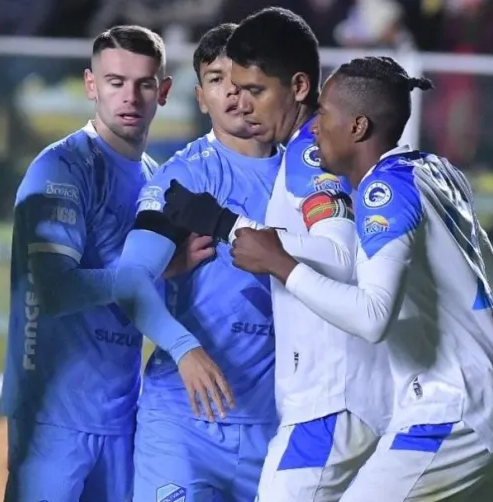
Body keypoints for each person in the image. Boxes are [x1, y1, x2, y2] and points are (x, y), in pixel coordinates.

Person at [228, 56, 493, 501]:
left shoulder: (383, 192)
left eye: (325, 115)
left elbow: (373, 319)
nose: (314, 127)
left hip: (450, 413)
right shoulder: (438, 171)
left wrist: (282, 263)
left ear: (357, 126)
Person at [161, 7, 393, 501]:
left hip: (332, 399)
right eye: (235, 90)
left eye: (256, 91)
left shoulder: (311, 156)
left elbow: (343, 257)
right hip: (332, 399)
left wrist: (227, 225)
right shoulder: (302, 153)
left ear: (301, 87)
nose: (241, 105)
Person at [0, 25, 232, 502]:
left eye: (144, 84)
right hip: (53, 416)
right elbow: (55, 290)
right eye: (115, 82)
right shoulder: (60, 167)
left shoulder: (156, 179)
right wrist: (147, 274)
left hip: (123, 415)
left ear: (163, 92)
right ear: (91, 86)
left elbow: (140, 294)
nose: (130, 96)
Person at [123, 23, 281, 502]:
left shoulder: (307, 177)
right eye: (216, 79)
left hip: (278, 427)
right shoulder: (183, 179)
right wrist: (185, 348)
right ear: (199, 97)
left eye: (242, 79)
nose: (232, 92)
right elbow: (129, 278)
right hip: (184, 423)